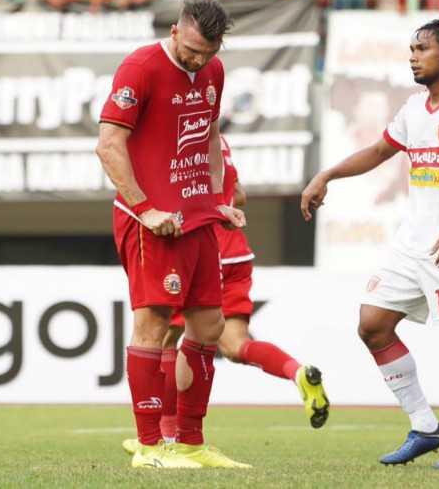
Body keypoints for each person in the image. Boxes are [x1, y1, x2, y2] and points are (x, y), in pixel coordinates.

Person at [301, 19, 439, 470]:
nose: (413, 55)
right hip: (413, 242)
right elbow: (378, 152)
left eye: (422, 48)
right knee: (372, 324)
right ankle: (426, 426)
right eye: (411, 48)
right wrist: (326, 175)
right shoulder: (414, 109)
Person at [96, 0, 249, 469]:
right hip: (152, 222)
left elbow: (209, 135)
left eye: (210, 51)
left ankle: (189, 442)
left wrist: (221, 197)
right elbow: (108, 145)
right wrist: (145, 208)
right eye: (194, 50)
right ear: (178, 29)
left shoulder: (213, 72)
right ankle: (148, 446)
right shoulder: (140, 67)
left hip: (199, 216)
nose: (200, 60)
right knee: (154, 324)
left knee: (209, 326)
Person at [121, 135, 331, 459]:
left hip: (203, 248)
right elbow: (239, 195)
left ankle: (166, 434)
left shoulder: (177, 138)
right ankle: (296, 371)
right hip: (237, 254)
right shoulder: (219, 142)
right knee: (234, 344)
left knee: (164, 338)